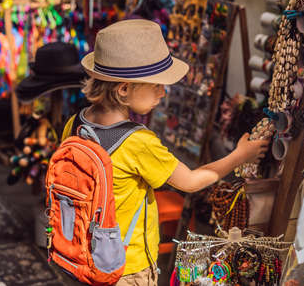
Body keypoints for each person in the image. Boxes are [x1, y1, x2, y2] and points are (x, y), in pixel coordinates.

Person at [61, 19, 269, 286]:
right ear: (124, 89)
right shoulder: (138, 142)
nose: (163, 91)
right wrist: (240, 155)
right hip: (126, 268)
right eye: (156, 84)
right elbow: (191, 182)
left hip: (85, 254)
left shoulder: (76, 123)